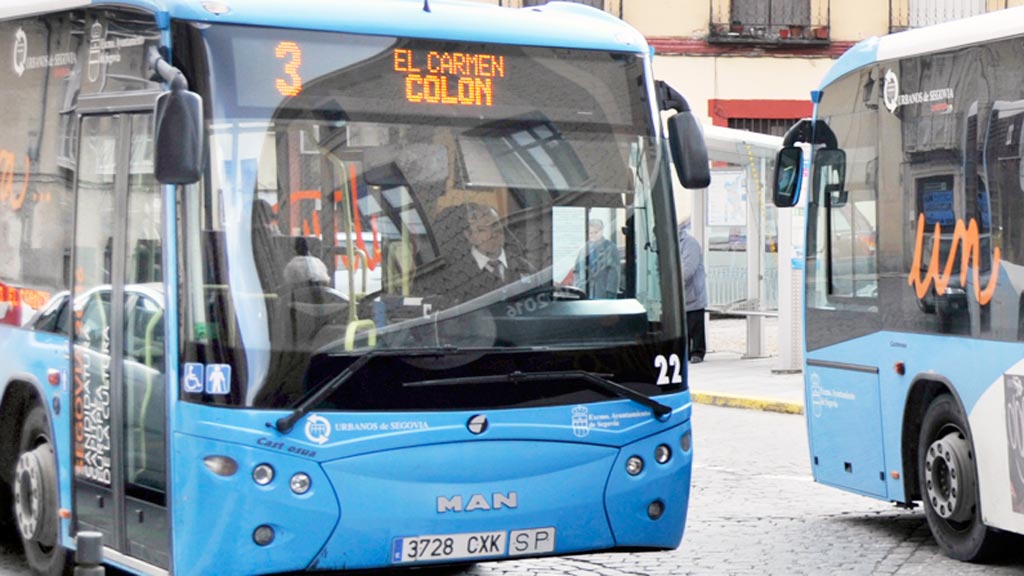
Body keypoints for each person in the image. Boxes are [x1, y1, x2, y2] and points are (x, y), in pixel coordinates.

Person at [679, 220, 707, 363]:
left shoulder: (689, 243)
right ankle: (684, 351)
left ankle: (697, 352)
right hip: (678, 294)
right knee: (682, 325)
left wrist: (672, 282)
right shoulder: (667, 243)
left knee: (695, 323)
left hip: (692, 293)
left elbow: (688, 269)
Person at [573, 218, 620, 299]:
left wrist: (611, 293)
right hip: (584, 292)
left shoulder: (610, 248)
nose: (592, 235)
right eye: (590, 233)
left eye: (596, 232)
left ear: (602, 231)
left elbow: (614, 272)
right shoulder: (583, 249)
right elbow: (576, 270)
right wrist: (578, 286)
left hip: (603, 292)